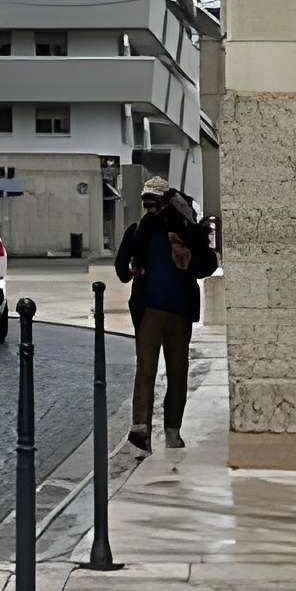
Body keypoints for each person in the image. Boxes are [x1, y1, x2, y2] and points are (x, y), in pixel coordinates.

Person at [114, 176, 215, 451]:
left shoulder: (184, 231)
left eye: (153, 203)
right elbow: (122, 270)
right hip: (166, 311)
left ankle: (155, 429)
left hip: (165, 312)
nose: (151, 209)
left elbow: (206, 264)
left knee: (159, 372)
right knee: (167, 372)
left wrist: (186, 255)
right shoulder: (147, 231)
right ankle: (150, 430)